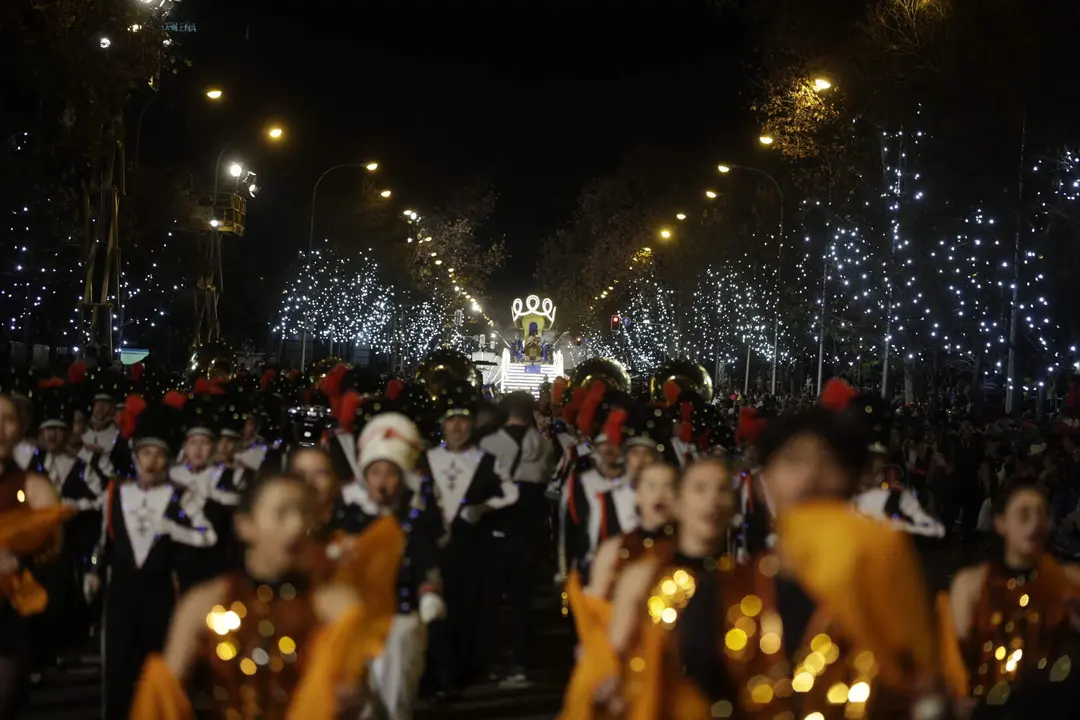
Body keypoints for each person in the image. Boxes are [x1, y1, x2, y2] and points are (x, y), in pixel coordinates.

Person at [130, 472, 381, 718]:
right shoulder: (206, 602)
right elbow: (163, 701)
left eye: (304, 513)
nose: (296, 526)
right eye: (282, 513)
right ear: (245, 526)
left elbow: (353, 689)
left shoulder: (335, 607)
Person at [87, 398, 218, 720]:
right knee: (117, 667)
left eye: (159, 455)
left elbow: (207, 534)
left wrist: (175, 529)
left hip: (159, 592)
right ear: (135, 456)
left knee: (156, 666)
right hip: (121, 592)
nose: (152, 461)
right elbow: (104, 540)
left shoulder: (179, 495)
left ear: (168, 459)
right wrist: (94, 571)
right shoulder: (116, 491)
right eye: (146, 453)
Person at [330, 434, 445, 718]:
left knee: (394, 703)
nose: (383, 481)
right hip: (357, 620)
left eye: (390, 473)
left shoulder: (412, 521)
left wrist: (428, 592)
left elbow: (425, 561)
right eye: (376, 473)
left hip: (399, 619)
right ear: (365, 478)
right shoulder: (350, 520)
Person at [943, 481, 1080, 716]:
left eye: (1041, 514)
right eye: (1023, 514)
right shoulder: (972, 585)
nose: (1034, 523)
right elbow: (955, 659)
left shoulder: (1068, 580)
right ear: (1001, 523)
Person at [424, 380, 518, 694]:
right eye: (451, 421)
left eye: (464, 421)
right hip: (433, 551)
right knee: (433, 611)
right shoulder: (427, 459)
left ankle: (460, 672)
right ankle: (436, 676)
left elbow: (510, 493)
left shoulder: (486, 460)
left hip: (471, 551)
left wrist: (482, 508)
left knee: (466, 610)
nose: (458, 428)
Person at [478, 391, 555, 686]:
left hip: (498, 524)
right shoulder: (543, 445)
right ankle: (521, 660)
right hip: (529, 527)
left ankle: (494, 659)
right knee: (523, 597)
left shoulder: (490, 443)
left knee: (493, 597)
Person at [0, 389, 66, 717]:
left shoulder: (35, 486)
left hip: (11, 615)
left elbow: (52, 549)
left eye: (8, 420)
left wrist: (19, 555)